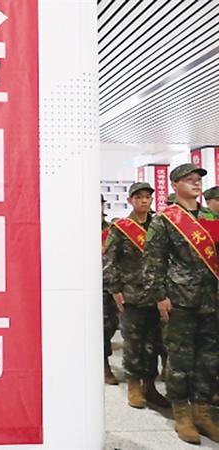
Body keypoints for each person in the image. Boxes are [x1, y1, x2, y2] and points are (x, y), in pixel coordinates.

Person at [143, 163, 219, 444]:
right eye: (189, 179)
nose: (196, 183)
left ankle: (203, 412)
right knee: (180, 358)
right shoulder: (164, 220)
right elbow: (153, 262)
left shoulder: (212, 217)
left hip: (211, 299)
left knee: (209, 358)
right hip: (179, 300)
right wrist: (160, 296)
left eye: (198, 179)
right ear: (174, 185)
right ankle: (182, 414)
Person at [103, 182, 168, 409]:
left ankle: (149, 386)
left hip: (156, 296)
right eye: (139, 197)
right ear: (130, 200)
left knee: (154, 343)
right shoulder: (121, 228)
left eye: (147, 197)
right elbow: (110, 261)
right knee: (133, 342)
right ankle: (133, 385)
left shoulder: (159, 226)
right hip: (131, 295)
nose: (144, 200)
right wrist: (115, 290)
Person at [101, 194, 119, 385]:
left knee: (111, 324)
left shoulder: (112, 230)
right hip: (88, 287)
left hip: (110, 285)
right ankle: (104, 364)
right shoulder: (80, 229)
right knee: (101, 327)